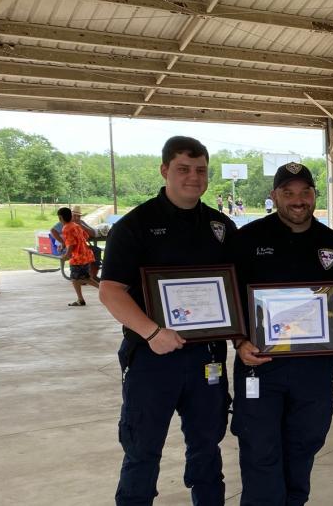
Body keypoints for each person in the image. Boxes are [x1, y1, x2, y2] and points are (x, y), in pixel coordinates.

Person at [98, 136, 238, 505]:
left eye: (201, 170)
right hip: (152, 357)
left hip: (207, 358)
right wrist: (152, 332)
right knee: (142, 452)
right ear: (165, 171)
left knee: (207, 449)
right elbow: (111, 290)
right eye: (183, 169)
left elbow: (238, 292)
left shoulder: (221, 226)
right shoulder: (136, 225)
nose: (193, 177)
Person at [229, 162, 333, 505]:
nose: (297, 200)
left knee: (304, 445)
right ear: (274, 196)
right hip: (259, 365)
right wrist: (239, 341)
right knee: (260, 449)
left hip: (314, 369)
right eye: (288, 193)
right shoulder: (247, 240)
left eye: (305, 192)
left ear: (315, 195)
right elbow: (230, 299)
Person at [58, 206, 100, 306]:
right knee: (82, 278)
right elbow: (85, 236)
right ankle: (81, 299)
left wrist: (66, 256)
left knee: (78, 278)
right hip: (85, 255)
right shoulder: (75, 225)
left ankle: (84, 298)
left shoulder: (66, 228)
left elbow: (71, 244)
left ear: (60, 218)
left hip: (77, 258)